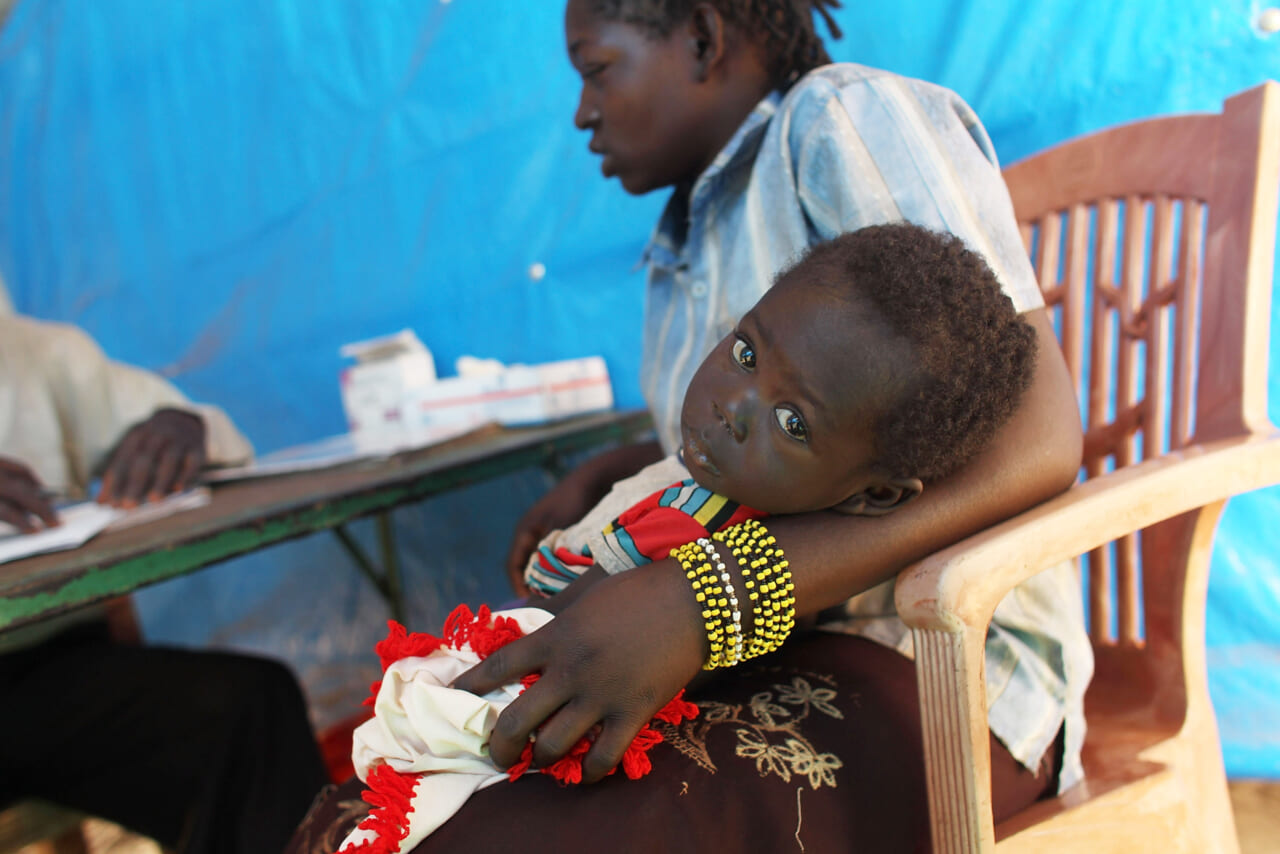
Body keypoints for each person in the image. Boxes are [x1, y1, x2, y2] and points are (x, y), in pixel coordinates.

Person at [291, 3, 1088, 852]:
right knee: (369, 813)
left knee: (512, 837)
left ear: (703, 39)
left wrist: (701, 599)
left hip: (942, 667)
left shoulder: (837, 118)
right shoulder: (683, 249)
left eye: (595, 69)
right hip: (773, 651)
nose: (581, 113)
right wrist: (617, 469)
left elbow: (1038, 440)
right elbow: (780, 456)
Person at [328, 223, 1041, 853]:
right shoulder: (732, 455)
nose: (733, 405)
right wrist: (609, 474)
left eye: (792, 423)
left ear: (875, 496)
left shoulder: (768, 543)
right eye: (745, 354)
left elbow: (640, 637)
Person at [0, 303, 331, 854]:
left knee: (248, 709)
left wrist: (181, 425)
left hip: (45, 678)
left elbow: (190, 426)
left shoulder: (34, 351)